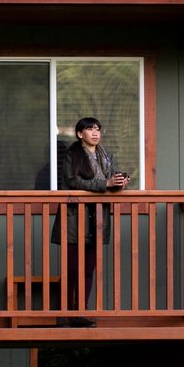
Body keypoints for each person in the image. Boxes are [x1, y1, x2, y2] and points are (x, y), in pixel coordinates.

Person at [55, 117, 129, 311]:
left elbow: (112, 178)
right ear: (80, 134)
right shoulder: (73, 154)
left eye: (98, 129)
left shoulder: (106, 155)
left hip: (97, 219)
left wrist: (120, 181)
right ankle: (64, 314)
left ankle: (81, 311)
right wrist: (106, 184)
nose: (95, 132)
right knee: (71, 269)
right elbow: (74, 182)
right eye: (90, 129)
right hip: (73, 219)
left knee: (88, 270)